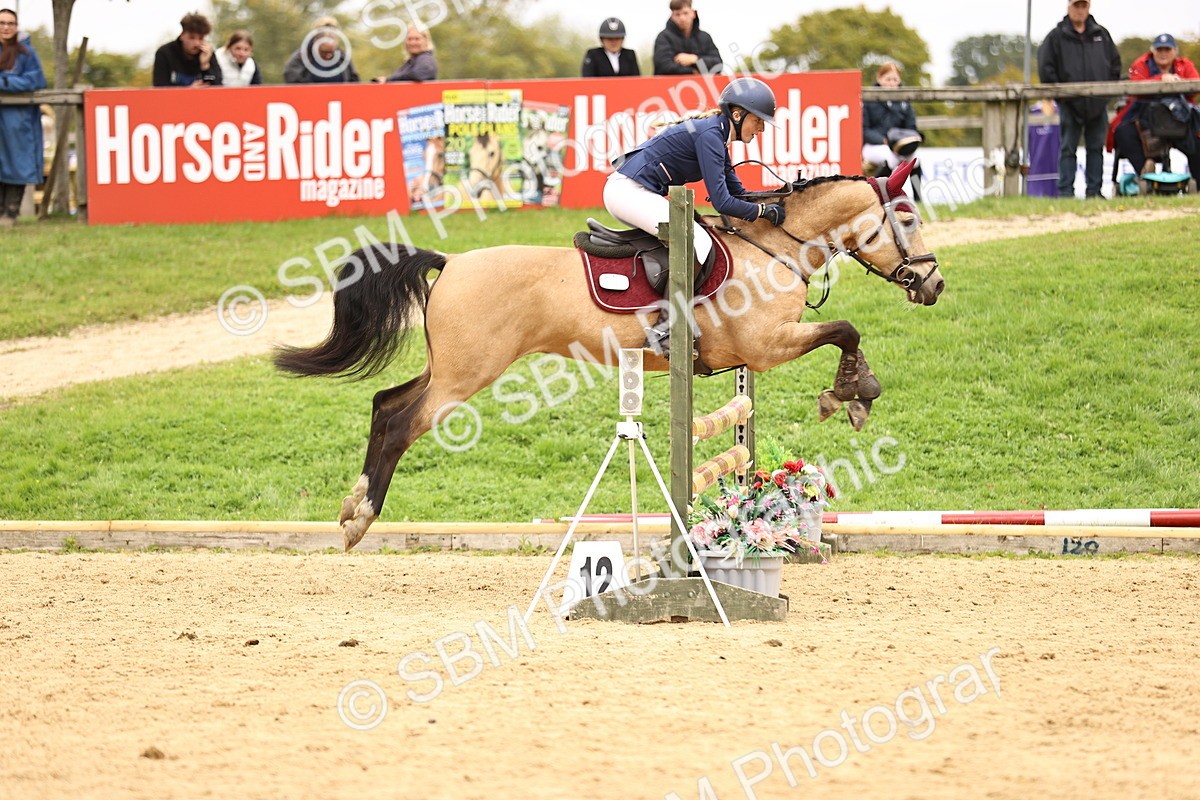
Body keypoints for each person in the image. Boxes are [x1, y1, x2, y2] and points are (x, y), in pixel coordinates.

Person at [604, 77, 784, 354]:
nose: (761, 128)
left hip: (633, 191)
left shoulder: (718, 136)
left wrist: (781, 196)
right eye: (758, 120)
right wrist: (762, 212)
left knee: (696, 234)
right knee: (698, 241)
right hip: (627, 192)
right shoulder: (710, 135)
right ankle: (665, 328)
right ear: (737, 114)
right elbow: (724, 202)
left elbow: (739, 192)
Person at [1037, 0, 1121, 198]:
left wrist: (1105, 95)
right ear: (1069, 7)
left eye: (1083, 6)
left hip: (1097, 103)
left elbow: (1115, 64)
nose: (1080, 10)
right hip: (1069, 103)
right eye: (1076, 6)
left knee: (1095, 149)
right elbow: (1045, 66)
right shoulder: (1056, 36)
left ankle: (1094, 191)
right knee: (1068, 148)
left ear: (1089, 8)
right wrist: (1061, 96)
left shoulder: (1101, 34)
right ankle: (1066, 192)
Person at [1107, 33, 1200, 192]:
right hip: (1144, 119)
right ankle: (1145, 172)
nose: (1163, 53)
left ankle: (1197, 182)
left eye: (1167, 49)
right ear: (1153, 51)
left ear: (1174, 51)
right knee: (1122, 132)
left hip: (1178, 121)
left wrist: (1177, 83)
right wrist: (1161, 79)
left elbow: (1194, 86)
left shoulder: (1184, 65)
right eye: (1159, 49)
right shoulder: (1141, 63)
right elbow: (1136, 85)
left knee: (1197, 137)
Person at [0, 7, 47, 227]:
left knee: (16, 163)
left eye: (11, 23)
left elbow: (36, 80)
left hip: (18, 119)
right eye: (2, 23)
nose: (6, 27)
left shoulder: (26, 53)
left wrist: (6, 83)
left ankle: (10, 212)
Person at [861, 62, 924, 200]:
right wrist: (883, 140)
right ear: (879, 79)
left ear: (899, 81)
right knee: (890, 158)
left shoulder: (904, 101)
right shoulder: (869, 99)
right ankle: (878, 196)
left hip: (898, 145)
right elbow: (864, 130)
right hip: (874, 145)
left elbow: (911, 127)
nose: (891, 83)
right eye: (888, 79)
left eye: (895, 80)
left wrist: (904, 142)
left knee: (915, 159)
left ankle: (918, 199)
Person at [652, 0, 722, 76]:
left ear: (694, 13)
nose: (682, 18)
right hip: (670, 87)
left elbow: (718, 64)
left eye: (685, 13)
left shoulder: (705, 37)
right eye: (677, 14)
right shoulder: (663, 38)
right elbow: (664, 67)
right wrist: (692, 72)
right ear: (672, 16)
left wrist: (695, 60)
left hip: (701, 87)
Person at [152, 12, 222, 87]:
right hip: (176, 98)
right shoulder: (165, 53)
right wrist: (188, 91)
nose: (197, 43)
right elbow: (160, 88)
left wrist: (205, 66)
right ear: (182, 35)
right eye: (192, 37)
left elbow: (217, 85)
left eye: (201, 38)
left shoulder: (207, 53)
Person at [283, 17, 360, 84]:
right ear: (315, 41)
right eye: (324, 52)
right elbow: (292, 82)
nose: (328, 55)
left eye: (331, 52)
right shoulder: (301, 58)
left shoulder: (342, 58)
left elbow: (353, 82)